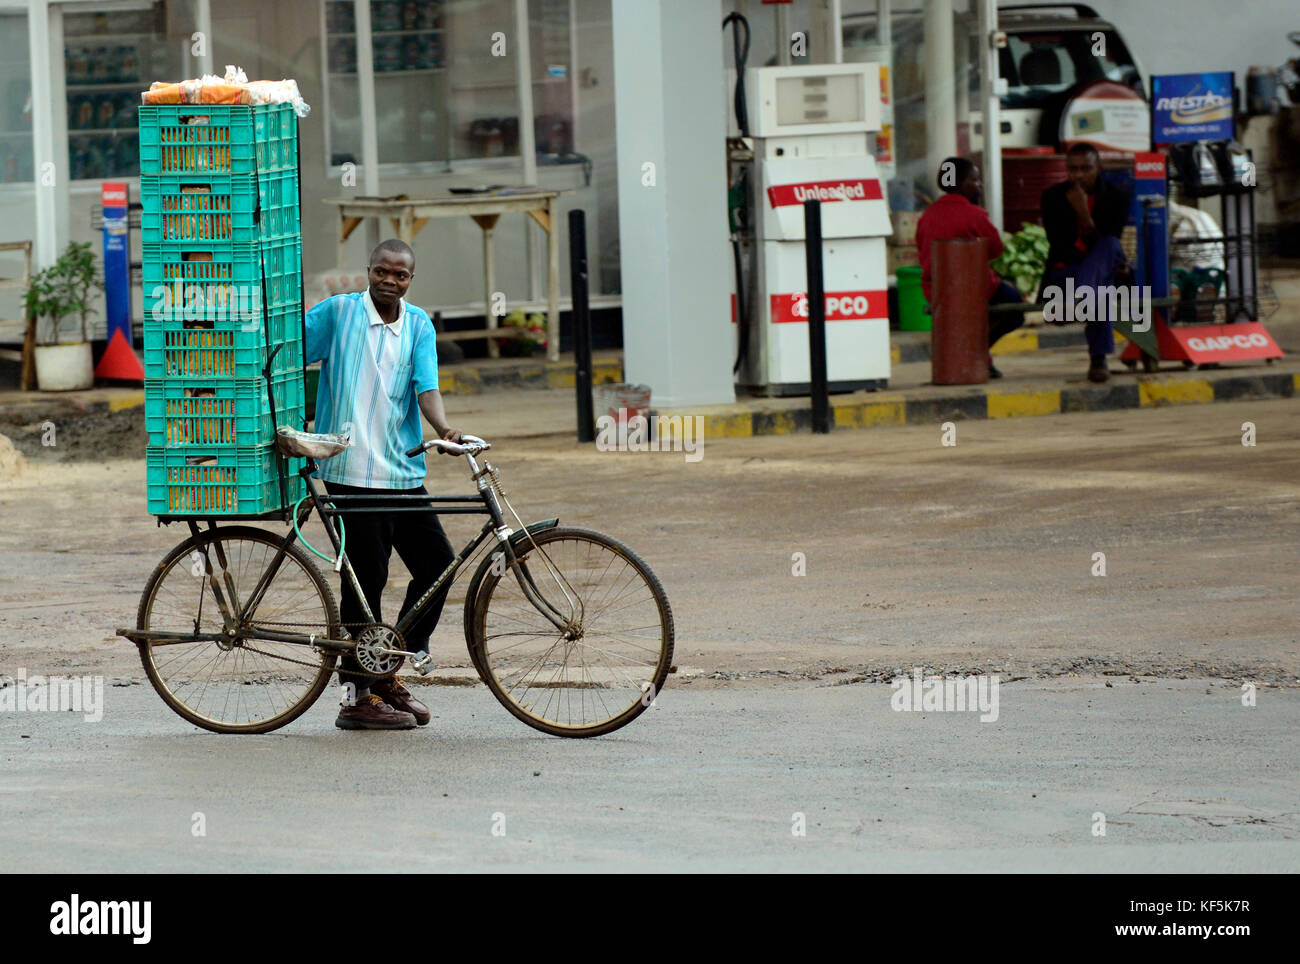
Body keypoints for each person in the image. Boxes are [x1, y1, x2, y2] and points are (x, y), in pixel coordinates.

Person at [304, 238, 466, 731]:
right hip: (350, 471)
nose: (389, 281)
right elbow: (288, 350)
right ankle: (357, 695)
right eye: (382, 272)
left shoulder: (418, 324)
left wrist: (444, 430)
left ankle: (387, 663)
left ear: (410, 280)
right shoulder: (337, 314)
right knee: (366, 578)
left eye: (400, 275)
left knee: (438, 565)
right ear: (368, 271)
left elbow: (427, 387)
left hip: (402, 472)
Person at [914, 156, 1024, 378]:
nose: (979, 185)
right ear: (962, 184)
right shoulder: (975, 214)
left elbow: (921, 249)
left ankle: (977, 353)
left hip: (935, 289)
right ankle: (977, 350)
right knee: (1015, 309)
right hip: (974, 289)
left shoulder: (926, 216)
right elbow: (996, 249)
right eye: (975, 180)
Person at [1040, 142, 1133, 383]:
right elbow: (1059, 247)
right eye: (1073, 169)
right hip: (1066, 274)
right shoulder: (1052, 197)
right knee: (1101, 286)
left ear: (1099, 168)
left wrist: (1083, 213)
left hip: (1086, 283)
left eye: (1086, 168)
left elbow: (1106, 240)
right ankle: (1098, 360)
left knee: (1110, 244)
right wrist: (1092, 268)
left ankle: (1082, 295)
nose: (1079, 175)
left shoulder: (1116, 196)